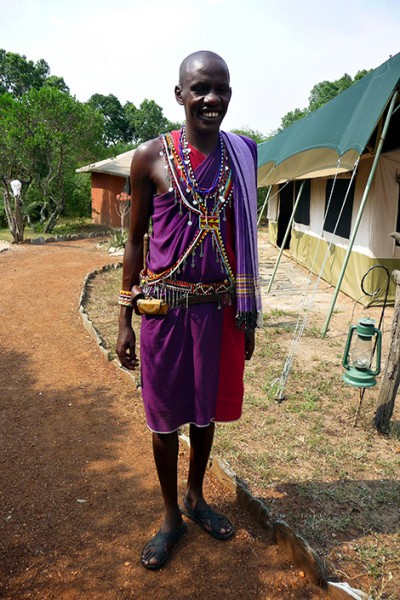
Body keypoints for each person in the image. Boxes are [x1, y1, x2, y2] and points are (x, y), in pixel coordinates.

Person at [116, 50, 262, 570]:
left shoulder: (242, 156)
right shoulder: (149, 157)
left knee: (205, 414)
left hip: (219, 313)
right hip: (164, 314)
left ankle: (197, 497)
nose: (212, 99)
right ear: (179, 94)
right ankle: (170, 516)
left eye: (221, 89)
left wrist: (246, 319)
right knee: (163, 422)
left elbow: (245, 241)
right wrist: (124, 318)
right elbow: (134, 242)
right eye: (200, 88)